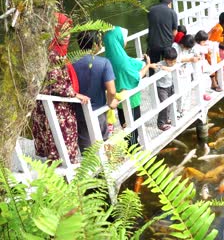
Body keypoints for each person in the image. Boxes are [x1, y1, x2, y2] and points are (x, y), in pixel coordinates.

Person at [32, 13, 90, 164]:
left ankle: (60, 179)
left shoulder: (56, 51)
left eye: (69, 31)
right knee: (60, 147)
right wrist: (74, 94)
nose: (67, 36)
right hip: (57, 109)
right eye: (62, 31)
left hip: (54, 107)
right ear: (54, 30)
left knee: (56, 146)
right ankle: (62, 182)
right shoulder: (53, 54)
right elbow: (55, 82)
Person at [103, 26, 159, 147]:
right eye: (124, 38)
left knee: (123, 121)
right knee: (133, 122)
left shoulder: (108, 57)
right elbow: (136, 76)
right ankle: (133, 146)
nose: (126, 41)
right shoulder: (122, 61)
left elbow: (128, 61)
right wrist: (147, 65)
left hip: (116, 96)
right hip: (130, 97)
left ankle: (130, 143)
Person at [73, 30, 118, 152]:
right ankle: (105, 169)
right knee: (103, 141)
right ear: (94, 44)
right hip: (98, 110)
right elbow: (112, 91)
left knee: (86, 146)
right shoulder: (103, 63)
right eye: (99, 42)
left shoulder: (71, 63)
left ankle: (89, 170)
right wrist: (110, 102)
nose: (101, 45)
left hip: (79, 111)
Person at [147, 0, 178, 76]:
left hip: (153, 43)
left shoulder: (151, 10)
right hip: (166, 44)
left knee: (153, 65)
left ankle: (153, 84)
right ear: (170, 3)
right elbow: (174, 32)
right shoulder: (172, 12)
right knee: (168, 64)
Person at [172, 34, 200, 116]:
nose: (188, 49)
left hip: (187, 71)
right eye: (187, 47)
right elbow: (176, 59)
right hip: (178, 74)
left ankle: (184, 109)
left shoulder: (191, 46)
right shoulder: (175, 46)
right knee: (180, 92)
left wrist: (197, 56)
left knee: (188, 91)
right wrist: (190, 59)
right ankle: (178, 109)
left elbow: (196, 52)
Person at [207, 11, 224, 91]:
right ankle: (214, 84)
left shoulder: (220, 26)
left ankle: (216, 82)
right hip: (210, 49)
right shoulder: (219, 28)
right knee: (214, 66)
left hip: (213, 48)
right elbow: (215, 39)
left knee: (217, 64)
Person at [156, 47, 178, 131]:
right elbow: (157, 68)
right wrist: (165, 68)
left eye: (174, 61)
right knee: (165, 104)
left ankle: (166, 119)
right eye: (170, 61)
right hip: (161, 87)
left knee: (170, 103)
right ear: (165, 59)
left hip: (170, 85)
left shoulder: (175, 63)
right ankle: (161, 123)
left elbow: (175, 66)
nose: (172, 63)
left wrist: (169, 68)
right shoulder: (160, 64)